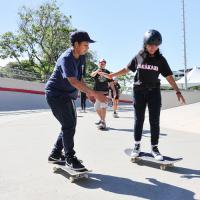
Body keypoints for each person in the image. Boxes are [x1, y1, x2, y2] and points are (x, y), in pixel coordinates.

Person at [100, 29, 185, 160]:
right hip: (139, 91)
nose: (153, 48)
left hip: (154, 92)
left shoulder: (160, 60)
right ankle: (137, 146)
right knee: (139, 119)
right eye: (150, 45)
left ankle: (154, 148)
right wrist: (112, 75)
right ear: (145, 44)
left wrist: (177, 91)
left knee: (154, 120)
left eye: (156, 45)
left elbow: (168, 76)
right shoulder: (140, 56)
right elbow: (127, 69)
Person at [45, 31, 108, 170]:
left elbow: (80, 78)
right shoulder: (66, 58)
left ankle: (55, 154)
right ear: (76, 44)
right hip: (56, 95)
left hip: (67, 95)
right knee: (68, 125)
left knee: (70, 125)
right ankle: (69, 158)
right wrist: (96, 94)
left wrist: (89, 93)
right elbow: (73, 81)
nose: (88, 47)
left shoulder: (81, 57)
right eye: (85, 45)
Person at [90, 58, 116, 130]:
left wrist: (114, 91)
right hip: (97, 92)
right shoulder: (96, 70)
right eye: (101, 63)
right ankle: (102, 119)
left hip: (105, 92)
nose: (102, 64)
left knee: (103, 106)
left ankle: (103, 122)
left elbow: (111, 82)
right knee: (96, 107)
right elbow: (92, 75)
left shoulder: (107, 72)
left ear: (105, 64)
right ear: (99, 63)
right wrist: (97, 71)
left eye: (103, 63)